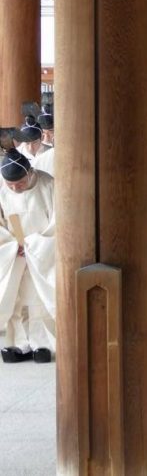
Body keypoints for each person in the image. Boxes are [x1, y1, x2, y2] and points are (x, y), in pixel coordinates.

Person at [0, 148, 55, 364]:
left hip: (43, 250)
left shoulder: (48, 184)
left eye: (20, 183)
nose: (15, 188)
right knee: (15, 298)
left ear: (30, 173)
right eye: (10, 185)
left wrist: (36, 243)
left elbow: (59, 221)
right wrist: (10, 243)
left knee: (39, 299)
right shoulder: (2, 190)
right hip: (14, 251)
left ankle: (42, 344)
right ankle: (18, 344)